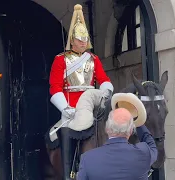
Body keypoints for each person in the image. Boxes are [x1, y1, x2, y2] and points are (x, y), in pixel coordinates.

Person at [48, 4, 114, 179]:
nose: (83, 41)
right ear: (72, 38)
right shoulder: (60, 60)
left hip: (92, 105)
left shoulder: (94, 59)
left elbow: (104, 79)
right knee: (67, 134)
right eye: (79, 38)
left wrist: (106, 93)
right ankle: (68, 172)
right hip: (71, 108)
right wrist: (65, 108)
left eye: (85, 38)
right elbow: (55, 86)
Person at [77, 106, 157, 180]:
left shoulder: (87, 159)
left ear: (107, 128)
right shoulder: (144, 153)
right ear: (130, 131)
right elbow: (151, 145)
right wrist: (139, 121)